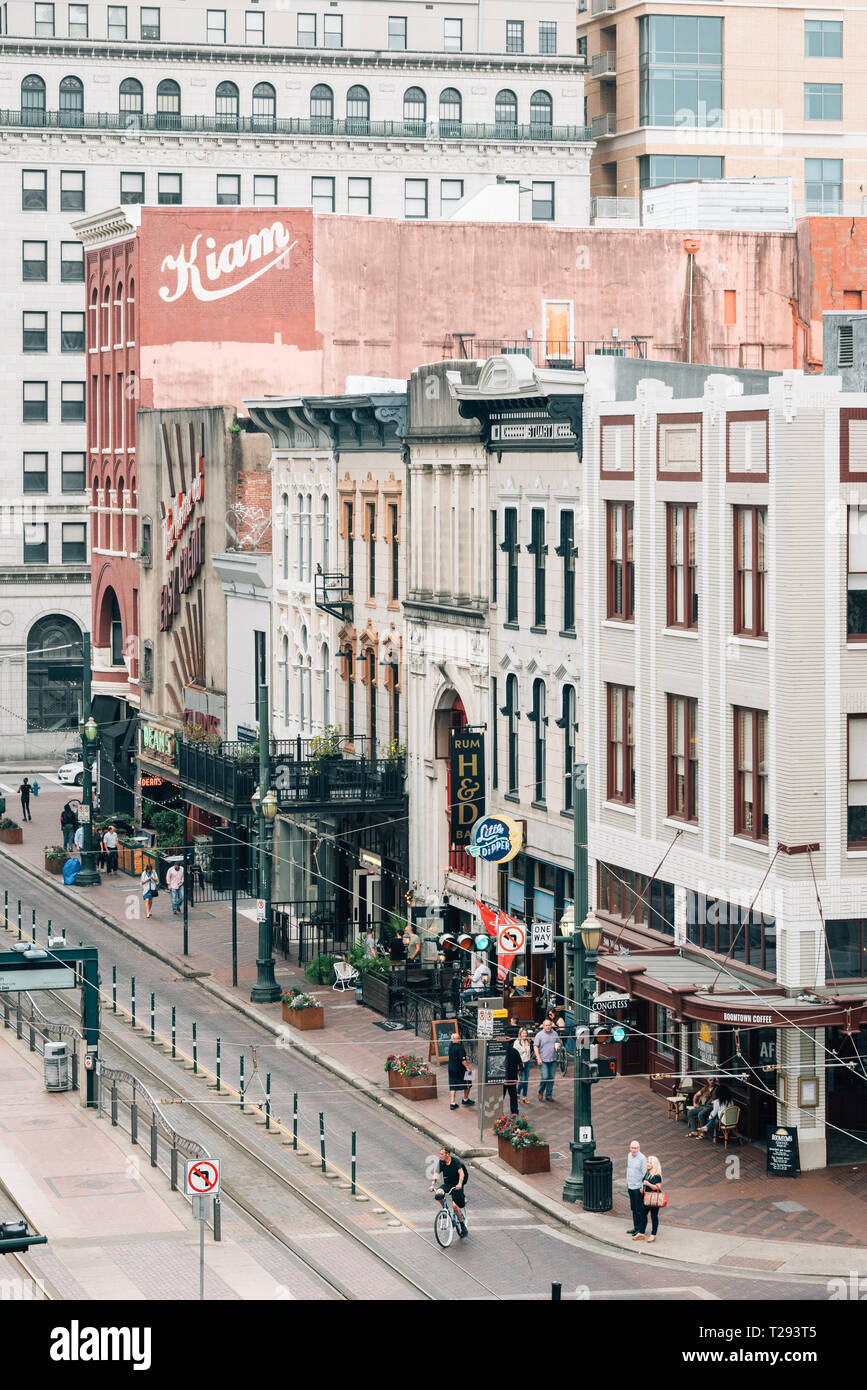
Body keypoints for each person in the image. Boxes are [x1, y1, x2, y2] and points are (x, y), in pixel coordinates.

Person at [429, 1145, 469, 1239]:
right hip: (447, 1184)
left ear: (447, 1154)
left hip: (457, 1185)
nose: (440, 1156)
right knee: (438, 1193)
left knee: (455, 1206)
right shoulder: (441, 1162)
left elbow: (461, 1173)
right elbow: (436, 1174)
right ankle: (445, 1209)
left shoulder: (455, 1161)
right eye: (440, 1154)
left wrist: (459, 1183)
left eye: (442, 1154)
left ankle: (462, 1225)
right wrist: (432, 1185)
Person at [635, 1155, 664, 1243]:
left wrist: (648, 1184)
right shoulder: (647, 1173)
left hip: (654, 1198)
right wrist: (642, 1189)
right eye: (647, 1162)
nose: (648, 1164)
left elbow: (657, 1187)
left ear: (654, 1164)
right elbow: (644, 1183)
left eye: (650, 1162)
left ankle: (653, 1234)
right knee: (643, 1214)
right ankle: (641, 1233)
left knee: (654, 1216)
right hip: (646, 1197)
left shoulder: (657, 1175)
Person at [533, 1017, 561, 1101]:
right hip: (543, 1060)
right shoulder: (539, 1035)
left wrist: (559, 1045)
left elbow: (558, 1042)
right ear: (543, 1026)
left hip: (553, 1059)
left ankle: (548, 1095)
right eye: (546, 1025)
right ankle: (541, 1092)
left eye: (549, 1025)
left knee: (551, 1078)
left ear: (551, 1025)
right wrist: (538, 1058)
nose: (548, 1027)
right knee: (545, 1077)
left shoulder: (555, 1033)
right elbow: (535, 1046)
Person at [626, 1138, 649, 1235]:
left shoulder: (642, 1158)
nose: (634, 1149)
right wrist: (627, 1179)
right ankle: (636, 1227)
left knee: (639, 1209)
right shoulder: (629, 1156)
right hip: (630, 1186)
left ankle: (640, 1229)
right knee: (633, 1208)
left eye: (635, 1148)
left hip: (638, 1188)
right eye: (632, 1148)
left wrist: (642, 1188)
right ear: (629, 1148)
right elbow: (628, 1168)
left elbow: (645, 1174)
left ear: (639, 1148)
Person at [447, 1029, 474, 1109]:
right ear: (458, 1039)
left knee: (453, 1085)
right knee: (469, 1083)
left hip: (451, 1068)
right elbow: (463, 1060)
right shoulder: (460, 1047)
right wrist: (468, 1068)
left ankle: (452, 1103)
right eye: (459, 1038)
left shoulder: (450, 1045)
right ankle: (465, 1100)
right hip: (460, 1069)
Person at [503, 1033, 523, 1115]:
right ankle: (514, 1112)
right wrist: (520, 1072)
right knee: (513, 1096)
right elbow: (520, 1064)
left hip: (502, 1077)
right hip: (512, 1077)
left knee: (501, 1096)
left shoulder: (500, 1051)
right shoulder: (515, 1051)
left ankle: (498, 1111)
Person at [514, 1026, 533, 1105]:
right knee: (523, 1080)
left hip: (527, 1062)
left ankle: (524, 1097)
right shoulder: (517, 1042)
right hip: (520, 1063)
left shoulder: (528, 1041)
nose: (524, 1035)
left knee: (526, 1080)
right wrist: (519, 1063)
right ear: (520, 1034)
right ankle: (518, 1094)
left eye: (526, 1033)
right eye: (523, 1033)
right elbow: (515, 1054)